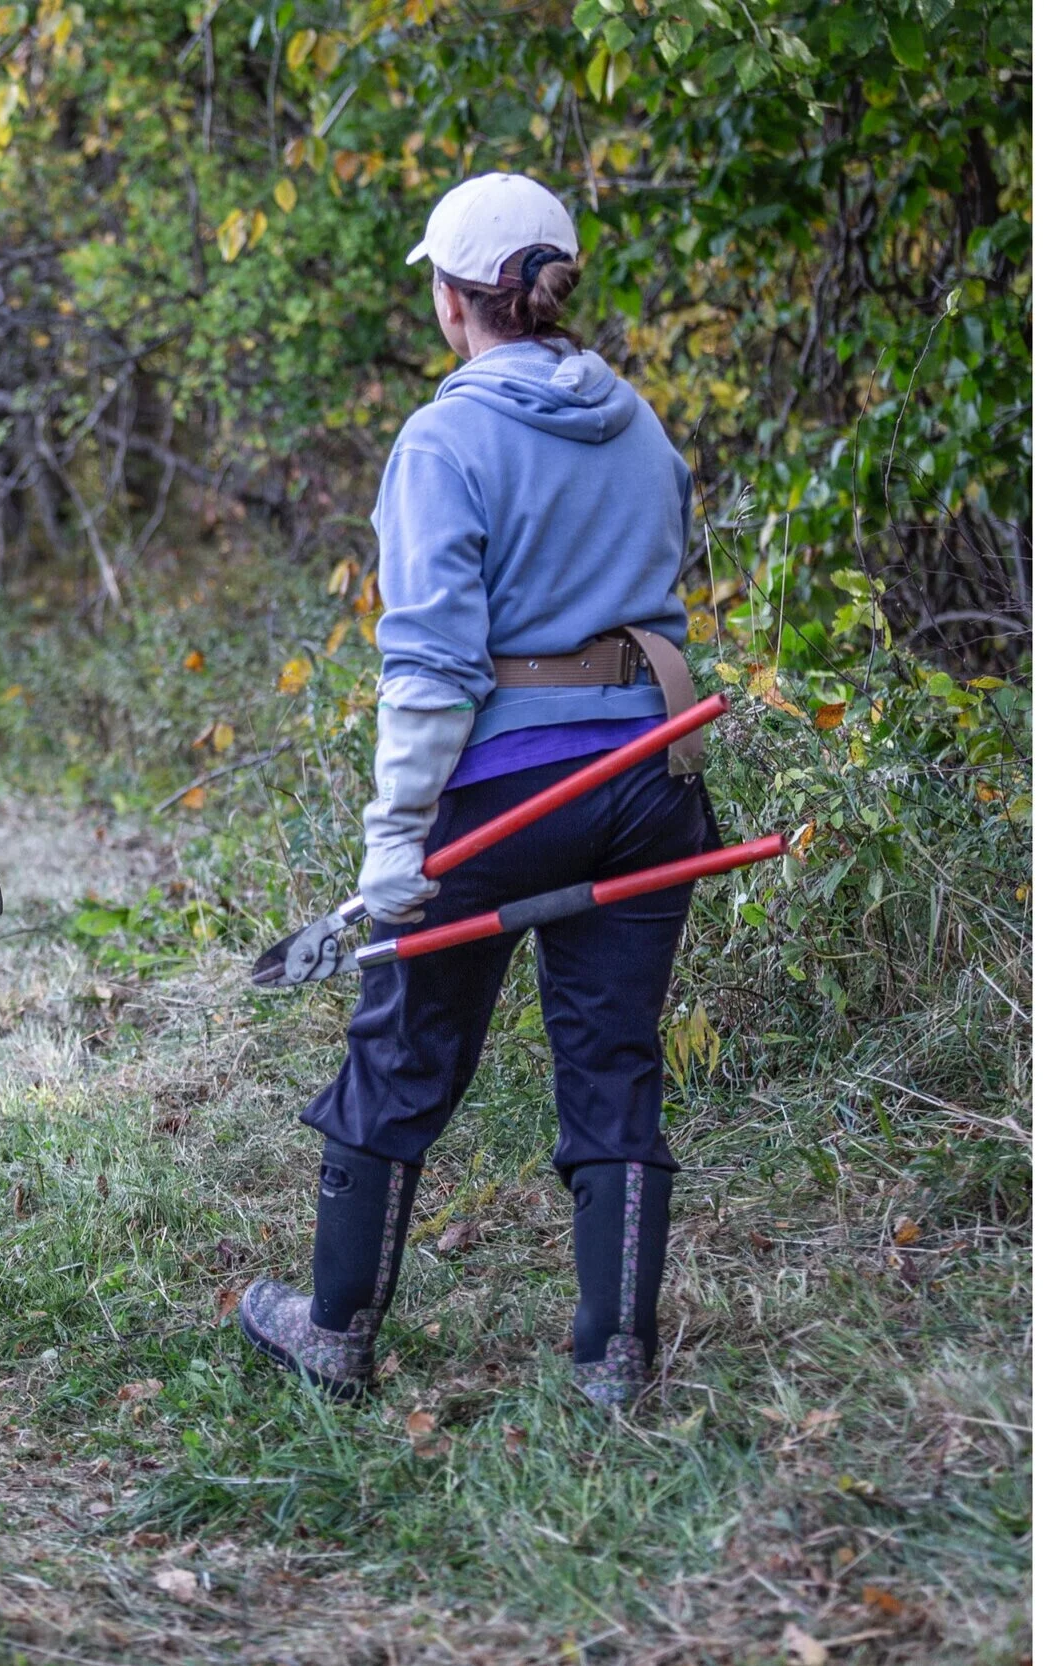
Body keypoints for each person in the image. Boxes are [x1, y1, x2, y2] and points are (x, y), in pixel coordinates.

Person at [235, 174, 713, 1410]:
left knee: (404, 1043)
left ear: (455, 303)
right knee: (613, 1055)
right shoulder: (643, 423)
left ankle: (334, 1330)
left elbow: (434, 665)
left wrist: (394, 840)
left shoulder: (444, 439)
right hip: (649, 774)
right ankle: (616, 1359)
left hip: (505, 792)